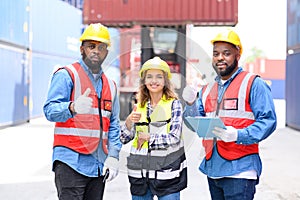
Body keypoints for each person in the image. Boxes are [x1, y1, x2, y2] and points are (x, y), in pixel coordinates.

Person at [182, 29, 277, 200]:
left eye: (226, 53)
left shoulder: (253, 83)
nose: (220, 58)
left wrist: (239, 134)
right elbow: (193, 123)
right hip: (214, 168)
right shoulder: (207, 89)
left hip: (240, 169)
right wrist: (189, 104)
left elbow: (268, 121)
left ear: (237, 55)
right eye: (216, 53)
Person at [43, 23, 122, 200]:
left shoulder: (111, 86)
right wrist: (71, 107)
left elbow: (114, 125)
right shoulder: (66, 75)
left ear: (106, 52)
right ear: (82, 49)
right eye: (91, 46)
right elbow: (49, 110)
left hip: (98, 165)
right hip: (70, 162)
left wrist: (114, 156)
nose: (96, 51)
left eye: (101, 47)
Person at [120, 56, 187, 200]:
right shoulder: (139, 105)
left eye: (159, 77)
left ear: (165, 81)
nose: (154, 81)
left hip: (167, 176)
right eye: (149, 76)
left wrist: (149, 138)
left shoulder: (174, 105)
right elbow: (124, 138)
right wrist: (128, 121)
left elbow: (174, 137)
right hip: (140, 176)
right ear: (144, 80)